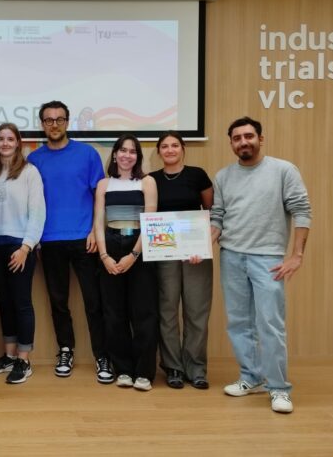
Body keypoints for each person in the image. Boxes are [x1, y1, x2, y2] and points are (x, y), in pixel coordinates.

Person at [211, 117, 311, 414]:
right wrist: (204, 241)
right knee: (239, 323)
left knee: (270, 324)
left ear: (260, 139)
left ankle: (279, 388)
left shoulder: (283, 170)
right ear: (231, 143)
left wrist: (297, 255)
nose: (243, 142)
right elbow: (217, 216)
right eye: (237, 138)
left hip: (268, 259)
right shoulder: (223, 176)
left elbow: (302, 211)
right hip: (231, 256)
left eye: (249, 136)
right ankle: (250, 376)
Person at [27, 101, 111, 384]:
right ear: (42, 124)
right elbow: (32, 205)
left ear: (67, 122)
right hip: (49, 242)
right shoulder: (34, 160)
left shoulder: (87, 154)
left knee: (93, 302)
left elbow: (100, 198)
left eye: (59, 119)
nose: (54, 124)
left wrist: (94, 232)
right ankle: (66, 349)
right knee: (58, 302)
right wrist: (35, 240)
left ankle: (102, 355)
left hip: (84, 240)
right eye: (48, 120)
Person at [149, 131, 214, 390]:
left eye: (175, 145)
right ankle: (173, 366)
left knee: (197, 311)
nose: (170, 149)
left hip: (195, 254)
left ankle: (196, 367)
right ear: (158, 151)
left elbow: (211, 213)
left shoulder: (197, 175)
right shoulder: (151, 179)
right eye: (164, 146)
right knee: (167, 311)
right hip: (164, 252)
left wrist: (202, 244)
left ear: (183, 148)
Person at [94, 134, 158, 391]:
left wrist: (133, 255)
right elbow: (98, 222)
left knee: (144, 313)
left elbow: (150, 221)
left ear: (138, 157)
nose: (126, 155)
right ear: (115, 154)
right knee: (114, 313)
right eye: (122, 150)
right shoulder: (103, 184)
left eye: (132, 151)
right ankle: (123, 369)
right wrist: (104, 256)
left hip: (139, 248)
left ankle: (143, 372)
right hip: (110, 246)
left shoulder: (147, 182)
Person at [0, 123, 45, 385]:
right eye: (1, 139)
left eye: (10, 139)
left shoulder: (30, 172)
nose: (5, 143)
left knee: (21, 303)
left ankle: (24, 359)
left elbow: (38, 212)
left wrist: (26, 247)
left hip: (20, 246)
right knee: (4, 303)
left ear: (18, 142)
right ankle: (8, 355)